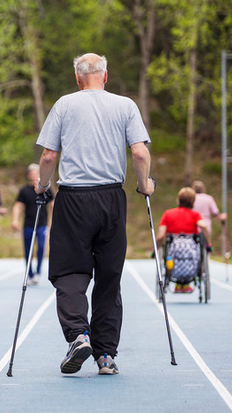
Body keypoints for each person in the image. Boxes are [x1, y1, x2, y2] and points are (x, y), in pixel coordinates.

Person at [34, 53, 155, 376]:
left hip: (73, 199)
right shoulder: (125, 106)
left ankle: (78, 335)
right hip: (112, 199)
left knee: (69, 272)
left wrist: (42, 186)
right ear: (105, 75)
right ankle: (105, 356)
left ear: (77, 78)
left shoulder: (64, 104)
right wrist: (145, 185)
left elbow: (48, 157)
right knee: (108, 277)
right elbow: (140, 152)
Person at [156, 187, 211, 293]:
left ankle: (176, 282)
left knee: (169, 255)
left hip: (173, 250)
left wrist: (156, 249)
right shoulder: (195, 215)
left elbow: (160, 236)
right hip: (191, 247)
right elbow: (203, 227)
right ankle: (186, 284)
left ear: (178, 199)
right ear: (193, 201)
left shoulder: (168, 214)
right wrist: (209, 244)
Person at [12, 164, 54, 286]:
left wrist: (55, 220)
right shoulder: (24, 190)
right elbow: (18, 206)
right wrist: (15, 220)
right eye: (31, 173)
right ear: (28, 175)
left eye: (35, 173)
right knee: (28, 250)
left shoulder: (46, 189)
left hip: (42, 224)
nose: (33, 175)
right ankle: (29, 274)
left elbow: (53, 204)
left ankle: (38, 272)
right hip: (28, 224)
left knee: (41, 247)